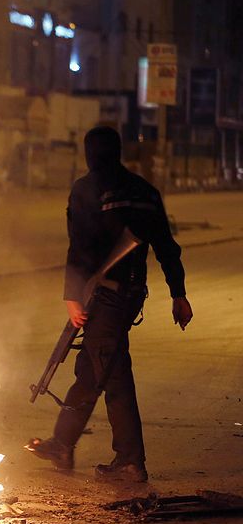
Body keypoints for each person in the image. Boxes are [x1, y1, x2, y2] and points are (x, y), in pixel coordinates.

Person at [26, 126, 193, 483]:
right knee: (93, 369)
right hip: (131, 296)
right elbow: (166, 245)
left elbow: (80, 247)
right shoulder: (146, 192)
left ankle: (130, 462)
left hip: (105, 296)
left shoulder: (87, 188)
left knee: (112, 375)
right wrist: (178, 293)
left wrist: (72, 295)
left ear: (89, 154)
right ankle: (63, 443)